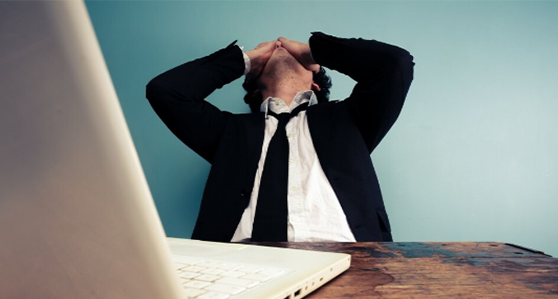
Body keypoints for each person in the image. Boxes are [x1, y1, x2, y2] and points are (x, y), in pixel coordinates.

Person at [146, 32, 414, 242]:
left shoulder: (349, 120)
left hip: (350, 261)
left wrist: (313, 51)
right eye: (270, 51)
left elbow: (395, 64)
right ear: (254, 83)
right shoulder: (229, 131)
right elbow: (165, 91)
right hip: (241, 266)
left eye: (290, 52)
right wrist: (243, 61)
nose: (280, 47)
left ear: (315, 83)